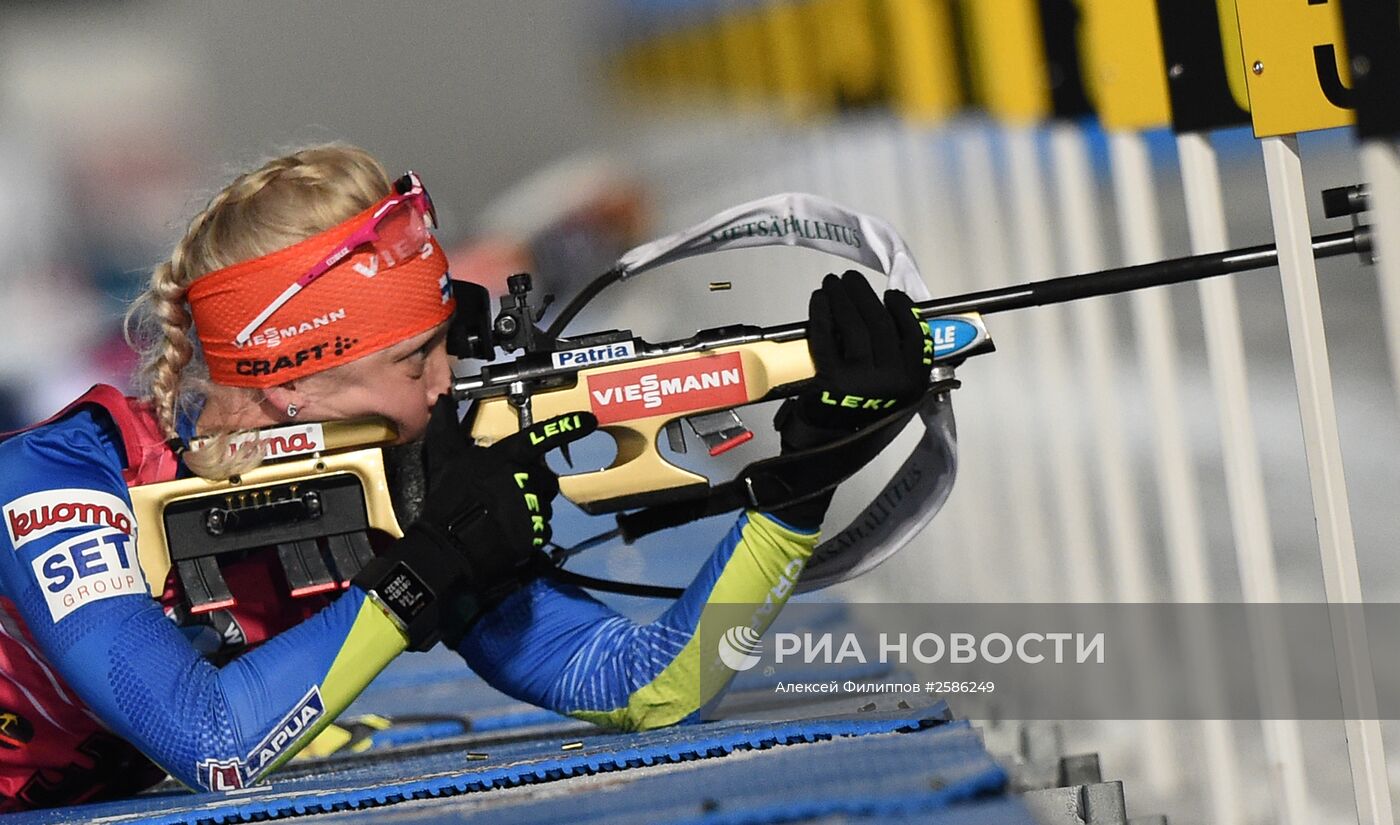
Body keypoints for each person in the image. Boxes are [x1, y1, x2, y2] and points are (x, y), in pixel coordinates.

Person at [0, 144, 931, 811]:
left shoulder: (383, 480)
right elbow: (211, 741)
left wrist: (800, 486)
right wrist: (420, 575)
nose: (449, 381)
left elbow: (650, 686)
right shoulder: (49, 484)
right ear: (290, 383)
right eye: (415, 360)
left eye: (444, 343)